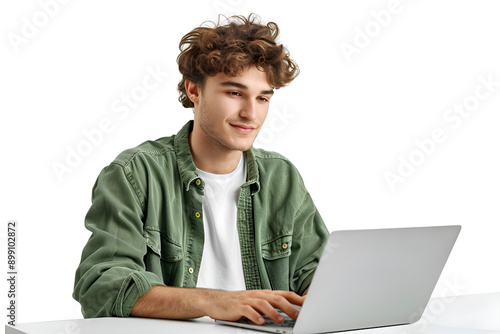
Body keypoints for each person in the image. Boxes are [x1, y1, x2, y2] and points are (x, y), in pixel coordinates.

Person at [72, 13, 329, 326]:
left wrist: (331, 296)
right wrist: (215, 301)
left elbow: (318, 275)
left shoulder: (282, 178)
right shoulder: (136, 173)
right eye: (235, 93)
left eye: (262, 97)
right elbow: (102, 285)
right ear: (193, 90)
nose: (251, 113)